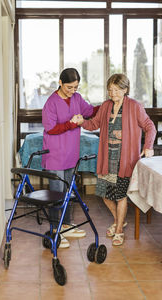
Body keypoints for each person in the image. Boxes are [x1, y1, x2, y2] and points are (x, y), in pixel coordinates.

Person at [74, 73, 156, 246]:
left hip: (125, 159)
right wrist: (81, 121)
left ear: (125, 90)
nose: (113, 93)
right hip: (107, 157)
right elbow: (94, 124)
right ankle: (119, 220)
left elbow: (150, 127)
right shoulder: (106, 106)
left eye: (117, 90)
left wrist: (148, 146)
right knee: (104, 193)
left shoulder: (134, 106)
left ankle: (119, 230)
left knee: (120, 196)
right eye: (110, 90)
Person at [42, 68, 100, 248]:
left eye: (75, 87)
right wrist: (71, 124)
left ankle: (65, 225)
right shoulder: (51, 103)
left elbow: (89, 111)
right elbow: (50, 129)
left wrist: (106, 106)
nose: (72, 91)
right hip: (55, 155)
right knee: (56, 195)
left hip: (70, 154)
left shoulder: (77, 98)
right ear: (60, 82)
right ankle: (54, 230)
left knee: (68, 193)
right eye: (69, 87)